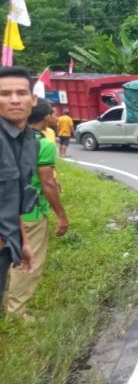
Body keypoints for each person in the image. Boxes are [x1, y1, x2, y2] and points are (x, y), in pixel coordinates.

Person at [5, 100, 68, 318]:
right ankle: (16, 312)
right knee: (28, 263)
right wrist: (61, 216)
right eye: (53, 113)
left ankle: (8, 303)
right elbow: (48, 184)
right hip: (30, 214)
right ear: (44, 117)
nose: (56, 116)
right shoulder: (44, 144)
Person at [0, 66, 39, 308]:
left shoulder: (28, 141)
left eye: (21, 93)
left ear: (33, 99)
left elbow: (16, 196)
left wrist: (23, 241)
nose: (14, 99)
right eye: (5, 94)